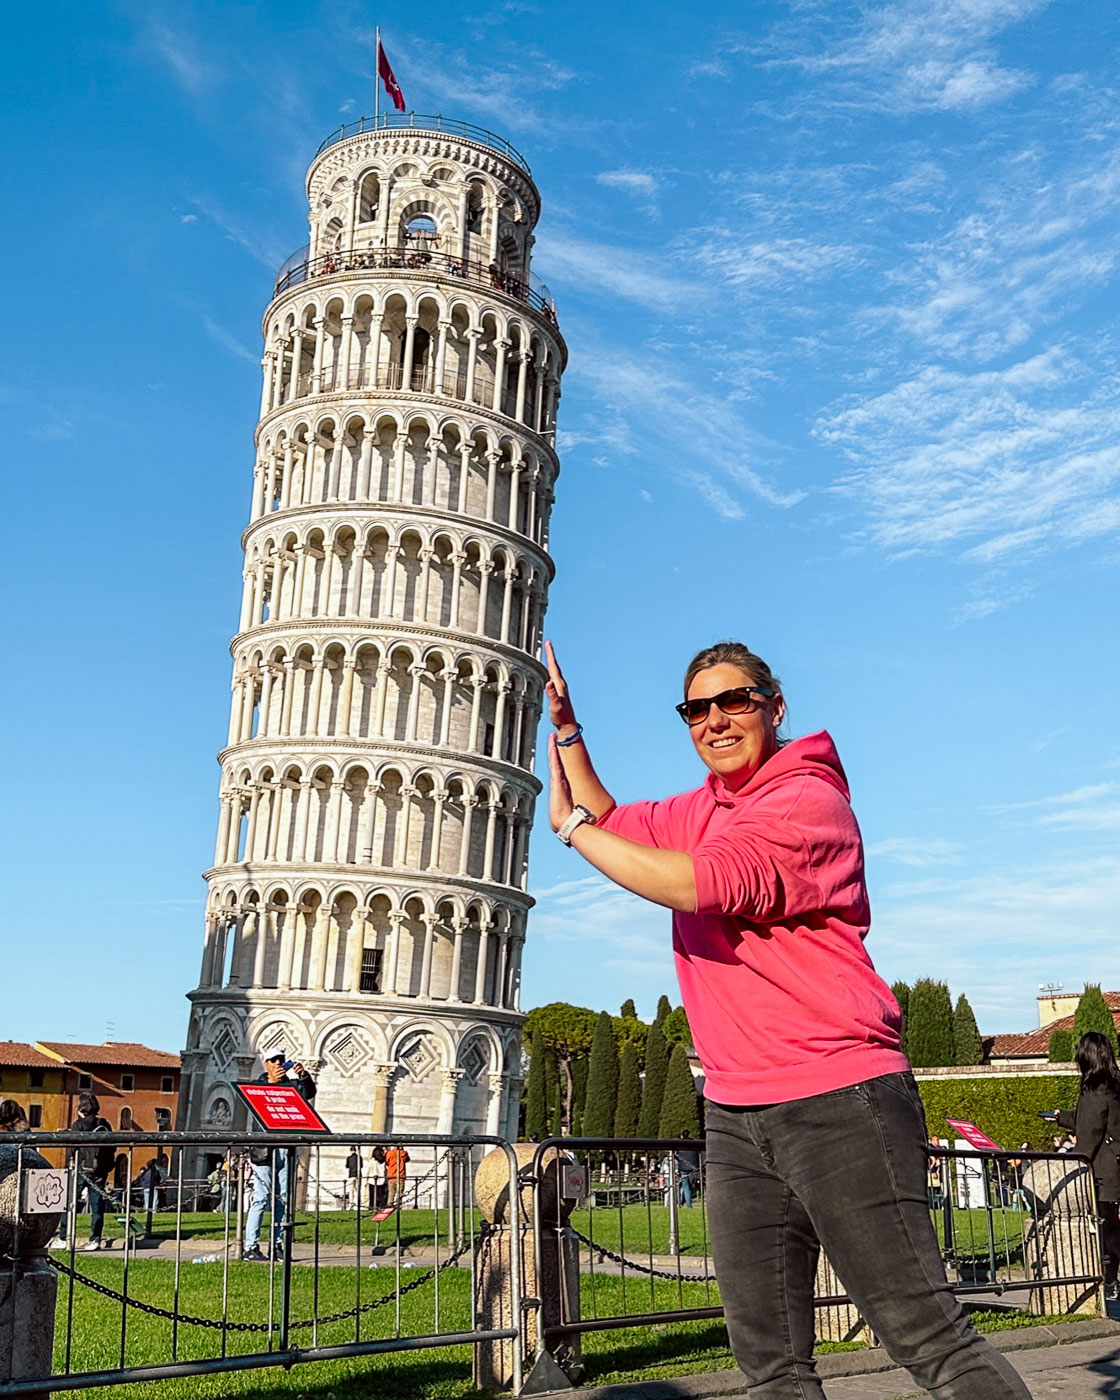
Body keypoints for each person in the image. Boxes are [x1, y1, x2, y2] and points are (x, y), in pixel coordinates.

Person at [543, 639, 1030, 1400]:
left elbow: (700, 883)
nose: (714, 720)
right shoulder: (706, 806)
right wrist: (567, 731)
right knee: (769, 1364)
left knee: (928, 1339)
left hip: (840, 1098)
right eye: (696, 709)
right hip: (736, 1112)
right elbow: (613, 817)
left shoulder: (806, 800)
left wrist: (572, 833)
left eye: (734, 701)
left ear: (774, 706)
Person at [1055, 1031, 1120, 1301]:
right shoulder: (1113, 1085)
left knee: (1108, 1232)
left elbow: (1091, 1131)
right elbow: (1096, 1122)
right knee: (1112, 1227)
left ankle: (1109, 1282)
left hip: (1103, 1169)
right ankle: (1112, 1281)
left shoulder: (1093, 1088)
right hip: (1114, 1162)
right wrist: (1064, 1118)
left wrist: (1076, 1161)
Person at [243, 1052, 317, 1262]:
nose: (278, 1064)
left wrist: (304, 1076)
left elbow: (309, 1092)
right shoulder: (257, 1086)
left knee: (283, 1198)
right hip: (262, 1150)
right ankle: (251, 1247)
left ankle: (277, 1246)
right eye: (273, 1060)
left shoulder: (293, 1086)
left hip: (286, 1147)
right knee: (260, 1198)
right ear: (265, 1064)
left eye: (280, 1060)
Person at [72, 1093, 115, 1252]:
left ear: (80, 1107)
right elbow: (113, 1146)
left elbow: (72, 1148)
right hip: (100, 1170)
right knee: (97, 1206)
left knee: (70, 1203)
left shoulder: (78, 1125)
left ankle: (65, 1235)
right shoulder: (104, 1124)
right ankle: (95, 1238)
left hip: (81, 1169)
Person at [676, 1130, 701, 1207]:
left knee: (685, 1187)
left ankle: (684, 1202)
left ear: (682, 1135)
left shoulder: (679, 1144)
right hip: (693, 1168)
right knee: (688, 1186)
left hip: (683, 1169)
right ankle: (686, 1203)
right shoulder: (694, 1143)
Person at [368, 1145, 388, 1210]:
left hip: (372, 1181)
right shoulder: (383, 1162)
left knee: (372, 1197)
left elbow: (368, 1170)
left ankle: (372, 1207)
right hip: (381, 1181)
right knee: (381, 1196)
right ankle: (382, 1207)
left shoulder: (372, 1161)